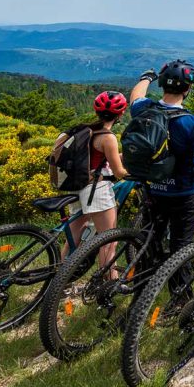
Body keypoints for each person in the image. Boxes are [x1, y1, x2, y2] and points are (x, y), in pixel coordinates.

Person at [129, 60, 194, 268]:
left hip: (152, 189)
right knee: (181, 249)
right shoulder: (192, 122)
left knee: (149, 240)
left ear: (163, 84)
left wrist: (146, 78)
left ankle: (142, 287)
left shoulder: (144, 109)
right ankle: (179, 297)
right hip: (184, 192)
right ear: (188, 89)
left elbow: (136, 96)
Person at [73, 91, 131, 271]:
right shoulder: (108, 137)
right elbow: (119, 172)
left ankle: (60, 282)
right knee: (108, 241)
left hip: (76, 185)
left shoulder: (86, 130)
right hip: (96, 190)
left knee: (73, 241)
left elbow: (96, 157)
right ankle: (108, 284)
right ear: (121, 114)